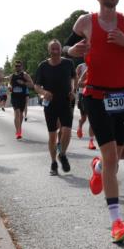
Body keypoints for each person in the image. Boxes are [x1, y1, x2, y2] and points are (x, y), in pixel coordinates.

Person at [66, 0, 124, 243]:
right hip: (96, 95)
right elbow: (66, 48)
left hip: (123, 95)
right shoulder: (85, 22)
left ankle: (97, 169)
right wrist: (73, 49)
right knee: (111, 157)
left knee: (120, 156)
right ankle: (116, 222)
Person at [33, 40, 75, 175]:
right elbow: (36, 86)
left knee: (67, 131)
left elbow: (74, 78)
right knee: (52, 136)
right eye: (53, 49)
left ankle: (62, 154)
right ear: (49, 50)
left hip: (65, 101)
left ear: (61, 49)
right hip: (50, 104)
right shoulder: (43, 66)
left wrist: (73, 90)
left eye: (57, 49)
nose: (55, 51)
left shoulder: (68, 63)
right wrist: (44, 93)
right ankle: (53, 163)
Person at [9, 61, 34, 139]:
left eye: (19, 66)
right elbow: (9, 83)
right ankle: (18, 132)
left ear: (21, 67)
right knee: (17, 113)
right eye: (16, 66)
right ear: (14, 67)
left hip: (22, 97)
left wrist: (23, 83)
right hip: (14, 97)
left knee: (21, 115)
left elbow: (32, 84)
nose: (17, 67)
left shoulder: (25, 75)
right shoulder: (12, 76)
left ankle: (19, 128)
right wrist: (9, 86)